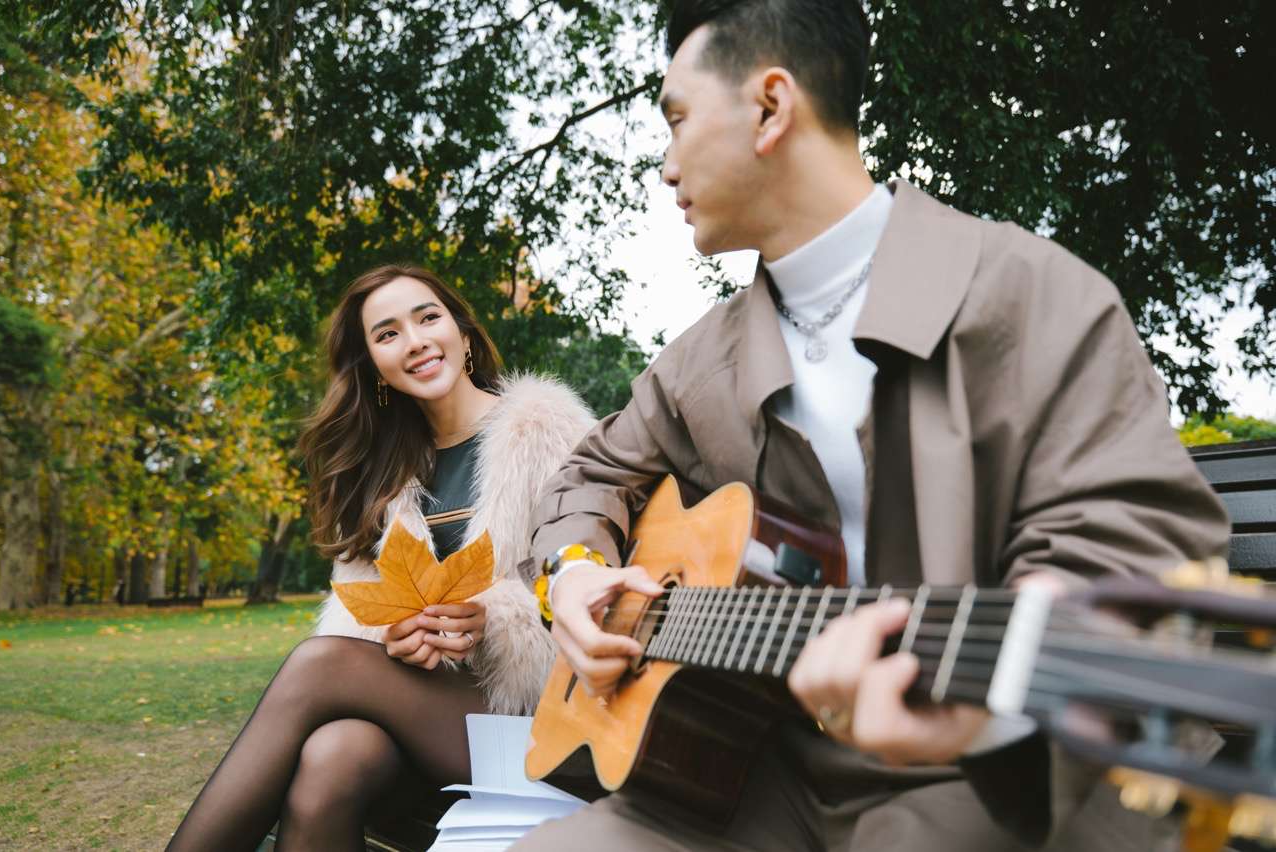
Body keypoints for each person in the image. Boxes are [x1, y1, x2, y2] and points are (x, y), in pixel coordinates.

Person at [512, 2, 1231, 850]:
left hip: (993, 779)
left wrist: (983, 712)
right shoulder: (699, 361)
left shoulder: (1037, 296)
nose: (666, 165)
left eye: (676, 121)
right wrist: (574, 575)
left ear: (770, 108)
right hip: (753, 776)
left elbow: (1125, 549)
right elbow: (592, 474)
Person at [166, 264, 594, 851]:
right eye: (387, 334)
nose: (414, 341)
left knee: (319, 665)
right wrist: (394, 639)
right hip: (421, 718)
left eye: (428, 318)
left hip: (543, 717)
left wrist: (491, 619)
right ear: (374, 366)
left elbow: (591, 576)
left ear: (463, 335)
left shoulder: (551, 433)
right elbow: (356, 615)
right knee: (332, 755)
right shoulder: (380, 471)